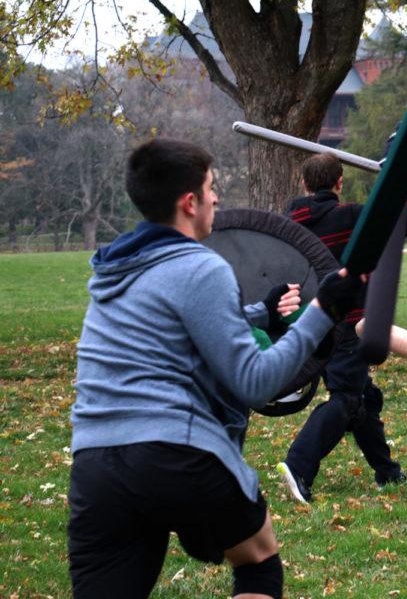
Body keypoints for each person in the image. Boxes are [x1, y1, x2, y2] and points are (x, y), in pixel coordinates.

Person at [67, 138, 365, 599]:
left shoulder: (114, 276)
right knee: (258, 562)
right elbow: (256, 382)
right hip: (176, 454)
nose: (217, 198)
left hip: (95, 466)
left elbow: (180, 322)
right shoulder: (201, 266)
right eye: (211, 188)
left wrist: (262, 312)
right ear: (190, 203)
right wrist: (323, 308)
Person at [277, 152, 407, 503]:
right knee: (346, 398)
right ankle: (298, 466)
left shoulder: (288, 225)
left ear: (304, 184)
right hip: (347, 325)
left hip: (309, 328)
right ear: (339, 183)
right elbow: (400, 220)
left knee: (364, 399)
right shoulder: (350, 218)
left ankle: (387, 473)